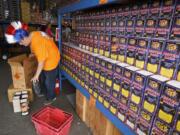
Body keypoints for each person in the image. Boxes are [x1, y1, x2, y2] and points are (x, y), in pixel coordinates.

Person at [5, 21, 60, 105]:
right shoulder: (32, 34)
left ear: (24, 37)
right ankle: (43, 92)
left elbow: (41, 62)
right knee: (42, 78)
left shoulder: (38, 43)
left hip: (51, 60)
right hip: (47, 54)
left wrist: (36, 75)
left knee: (49, 81)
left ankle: (51, 97)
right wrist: (33, 54)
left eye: (21, 42)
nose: (21, 44)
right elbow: (36, 47)